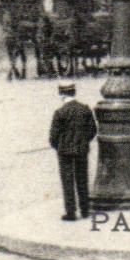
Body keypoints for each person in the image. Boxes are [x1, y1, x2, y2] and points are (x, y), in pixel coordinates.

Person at [50, 84, 97, 221]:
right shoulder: (85, 110)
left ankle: (71, 212)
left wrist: (59, 146)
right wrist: (84, 141)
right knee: (82, 179)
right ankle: (85, 209)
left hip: (64, 152)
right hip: (81, 150)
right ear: (74, 92)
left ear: (62, 95)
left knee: (67, 181)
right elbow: (92, 130)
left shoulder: (60, 113)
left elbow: (53, 136)